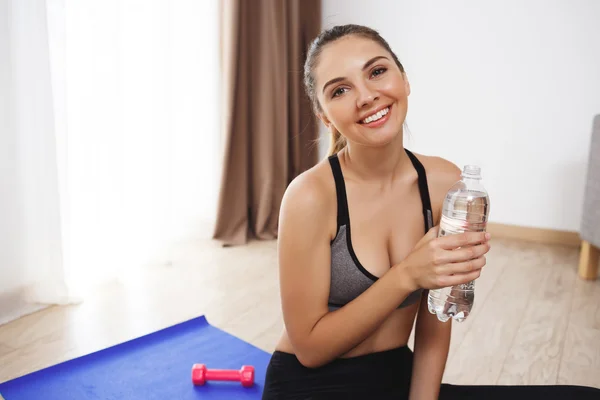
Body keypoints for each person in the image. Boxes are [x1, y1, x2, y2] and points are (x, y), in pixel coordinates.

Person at [261, 24, 600, 400]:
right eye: (340, 90)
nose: (367, 96)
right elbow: (310, 349)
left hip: (399, 381)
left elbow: (438, 318)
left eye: (376, 71)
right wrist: (407, 275)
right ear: (326, 117)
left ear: (404, 81)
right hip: (311, 387)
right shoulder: (310, 197)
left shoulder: (446, 186)